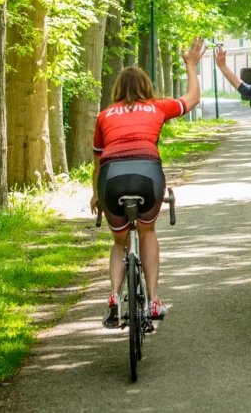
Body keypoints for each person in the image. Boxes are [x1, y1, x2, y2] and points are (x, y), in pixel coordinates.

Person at [90, 37, 206, 329]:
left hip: (111, 179)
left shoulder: (104, 115)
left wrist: (96, 195)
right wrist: (190, 65)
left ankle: (114, 296)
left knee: (119, 241)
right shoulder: (156, 108)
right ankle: (154, 299)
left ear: (117, 90)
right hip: (148, 175)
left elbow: (97, 161)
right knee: (147, 231)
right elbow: (192, 98)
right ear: (146, 88)